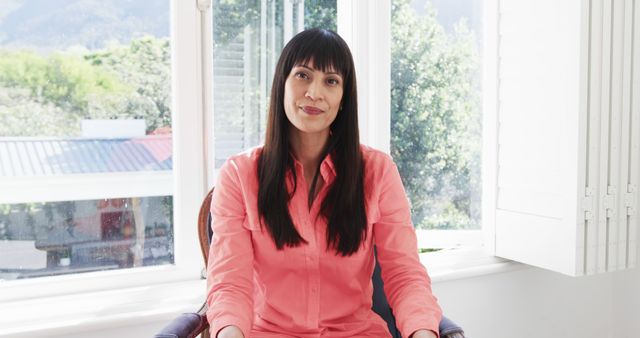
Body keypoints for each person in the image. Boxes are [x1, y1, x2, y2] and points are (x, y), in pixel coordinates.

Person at [206, 28, 442, 338]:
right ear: (282, 85)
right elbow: (229, 284)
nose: (314, 93)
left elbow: (405, 274)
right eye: (303, 75)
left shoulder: (378, 172)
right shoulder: (238, 175)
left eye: (331, 81)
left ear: (344, 97)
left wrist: (423, 332)